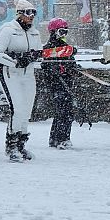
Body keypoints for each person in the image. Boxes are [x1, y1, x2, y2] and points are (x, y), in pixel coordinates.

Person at [0, 0, 42, 162]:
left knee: (27, 110)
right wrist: (16, 60)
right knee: (18, 108)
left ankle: (21, 144)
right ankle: (11, 145)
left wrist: (33, 56)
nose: (31, 16)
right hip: (11, 74)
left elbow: (40, 54)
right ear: (19, 14)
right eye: (28, 12)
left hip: (28, 74)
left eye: (34, 12)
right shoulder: (8, 29)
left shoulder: (35, 32)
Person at [42, 18, 79, 149]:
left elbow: (71, 63)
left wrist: (73, 69)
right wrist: (56, 71)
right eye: (61, 32)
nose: (64, 35)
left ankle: (56, 138)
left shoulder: (66, 48)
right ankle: (61, 138)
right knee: (63, 111)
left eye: (65, 32)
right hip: (56, 84)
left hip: (66, 83)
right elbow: (45, 67)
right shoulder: (48, 49)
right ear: (54, 32)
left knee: (65, 111)